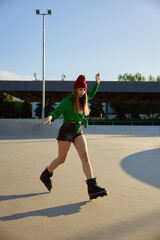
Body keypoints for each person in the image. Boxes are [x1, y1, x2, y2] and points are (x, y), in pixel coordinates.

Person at [39, 73, 108, 200]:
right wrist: (50, 117)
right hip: (66, 131)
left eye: (84, 90)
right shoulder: (67, 101)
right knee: (61, 159)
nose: (83, 92)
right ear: (75, 89)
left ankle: (92, 187)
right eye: (80, 89)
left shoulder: (84, 99)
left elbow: (91, 94)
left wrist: (97, 84)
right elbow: (56, 111)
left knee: (85, 157)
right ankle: (46, 174)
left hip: (78, 129)